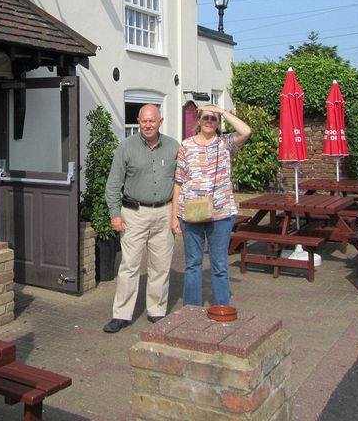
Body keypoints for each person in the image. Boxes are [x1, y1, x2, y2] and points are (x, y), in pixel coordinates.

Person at [102, 104, 179, 333]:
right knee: (129, 266)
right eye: (143, 121)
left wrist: (178, 213)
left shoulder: (173, 147)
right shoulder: (126, 147)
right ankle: (122, 314)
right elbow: (113, 184)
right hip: (134, 214)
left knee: (161, 266)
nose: (147, 125)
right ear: (138, 121)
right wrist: (115, 214)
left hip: (164, 213)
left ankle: (156, 310)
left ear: (160, 121)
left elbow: (181, 182)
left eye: (152, 121)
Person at [171, 104, 251, 306]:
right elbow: (178, 182)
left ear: (218, 123)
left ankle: (222, 307)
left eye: (213, 119)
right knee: (193, 264)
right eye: (205, 118)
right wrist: (174, 217)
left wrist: (221, 111)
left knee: (220, 265)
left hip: (221, 214)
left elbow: (246, 131)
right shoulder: (186, 146)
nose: (209, 121)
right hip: (191, 212)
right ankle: (192, 309)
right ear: (198, 121)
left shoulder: (225, 143)